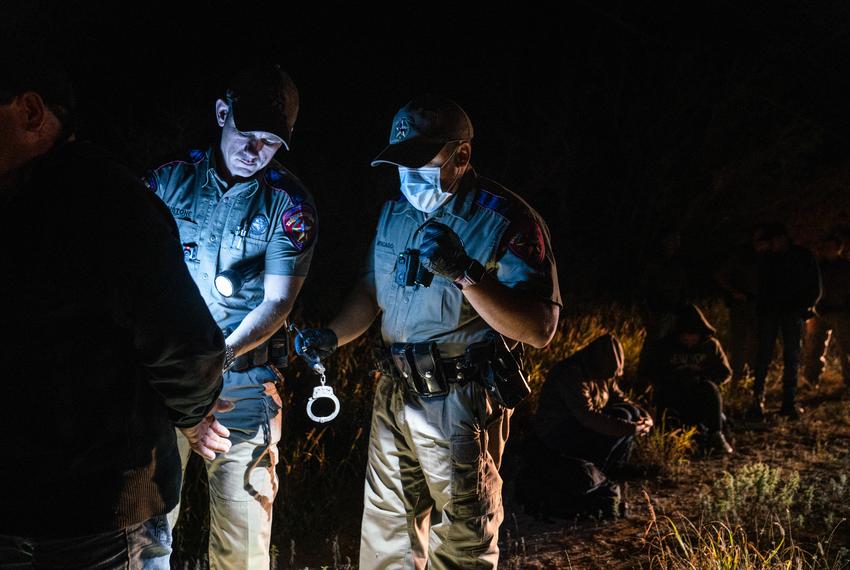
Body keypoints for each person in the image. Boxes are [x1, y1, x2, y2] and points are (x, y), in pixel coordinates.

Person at [296, 95, 560, 569]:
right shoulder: (395, 212)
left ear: (462, 156)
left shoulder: (506, 221)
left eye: (423, 163)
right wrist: (332, 336)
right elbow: (371, 289)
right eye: (402, 165)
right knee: (387, 533)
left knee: (463, 535)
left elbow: (539, 328)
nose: (410, 178)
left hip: (459, 400)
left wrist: (464, 272)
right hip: (394, 393)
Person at [0, 51, 228, 568]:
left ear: (31, 113)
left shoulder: (105, 200)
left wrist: (193, 415)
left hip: (99, 517)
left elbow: (184, 340)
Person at [145, 64, 317, 568]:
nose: (254, 151)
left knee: (242, 536)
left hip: (241, 381)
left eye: (269, 141)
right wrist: (178, 367)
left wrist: (218, 359)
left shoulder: (289, 204)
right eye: (247, 133)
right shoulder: (167, 179)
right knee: (147, 529)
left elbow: (277, 302)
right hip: (163, 380)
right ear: (222, 113)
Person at [532, 334, 652, 471]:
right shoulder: (571, 373)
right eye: (609, 373)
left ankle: (615, 466)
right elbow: (587, 416)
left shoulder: (603, 374)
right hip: (558, 429)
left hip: (581, 424)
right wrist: (631, 428)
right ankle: (598, 467)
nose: (610, 378)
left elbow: (621, 399)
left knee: (632, 413)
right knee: (624, 418)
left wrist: (646, 418)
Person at [748, 223, 821, 420]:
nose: (772, 244)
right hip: (770, 312)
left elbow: (814, 286)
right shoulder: (767, 258)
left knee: (791, 358)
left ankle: (788, 403)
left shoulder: (802, 256)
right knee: (764, 357)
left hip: (790, 313)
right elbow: (757, 283)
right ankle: (758, 401)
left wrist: (803, 307)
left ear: (782, 238)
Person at [639, 304, 733, 454]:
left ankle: (716, 435)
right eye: (685, 335)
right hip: (673, 394)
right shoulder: (665, 346)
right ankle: (667, 438)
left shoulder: (711, 346)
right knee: (667, 396)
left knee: (710, 389)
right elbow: (650, 372)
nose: (689, 339)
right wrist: (672, 377)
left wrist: (703, 376)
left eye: (693, 335)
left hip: (700, 394)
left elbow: (725, 372)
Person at [714, 227, 763, 381]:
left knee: (758, 341)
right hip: (741, 304)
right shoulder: (741, 255)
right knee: (739, 341)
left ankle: (755, 376)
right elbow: (721, 275)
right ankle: (737, 376)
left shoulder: (767, 256)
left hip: (760, 305)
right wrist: (734, 291)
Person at [803, 232, 850, 388]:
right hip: (819, 312)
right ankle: (811, 380)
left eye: (831, 247)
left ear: (838, 248)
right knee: (814, 347)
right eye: (825, 247)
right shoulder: (817, 266)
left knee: (846, 348)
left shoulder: (846, 268)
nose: (827, 249)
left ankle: (848, 381)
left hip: (840, 312)